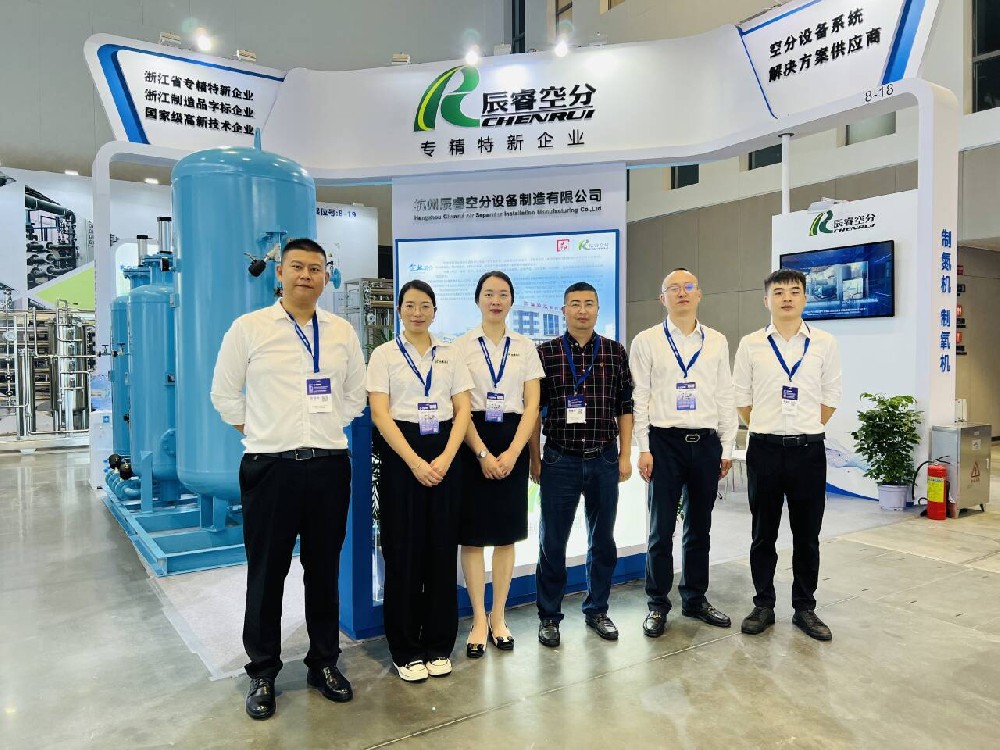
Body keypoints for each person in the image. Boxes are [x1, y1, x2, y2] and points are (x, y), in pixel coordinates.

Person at [210, 238, 366, 720]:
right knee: (267, 572)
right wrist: (258, 430)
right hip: (270, 468)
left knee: (323, 570)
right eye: (297, 266)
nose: (306, 275)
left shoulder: (341, 332)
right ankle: (262, 670)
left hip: (328, 466)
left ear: (325, 276)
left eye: (315, 269)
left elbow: (355, 395)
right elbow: (223, 393)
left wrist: (328, 425)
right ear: (279, 273)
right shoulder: (249, 328)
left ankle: (324, 662)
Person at [367, 279, 473, 682]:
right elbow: (380, 413)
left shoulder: (451, 354)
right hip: (401, 456)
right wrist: (414, 462)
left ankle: (439, 644)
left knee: (442, 552)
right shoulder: (384, 355)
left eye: (425, 305)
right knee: (403, 553)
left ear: (434, 311)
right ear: (399, 310)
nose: (417, 312)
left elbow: (463, 410)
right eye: (410, 305)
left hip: (445, 452)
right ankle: (406, 649)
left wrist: (445, 458)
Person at [732, 268, 842, 641]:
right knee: (763, 533)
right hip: (764, 450)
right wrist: (769, 427)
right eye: (778, 292)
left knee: (807, 535)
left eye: (794, 291)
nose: (787, 298)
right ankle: (763, 604)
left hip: (808, 451)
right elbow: (742, 398)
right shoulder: (751, 344)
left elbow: (831, 396)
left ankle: (805, 608)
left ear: (805, 298)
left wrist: (804, 427)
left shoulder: (824, 342)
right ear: (767, 300)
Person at [629, 268, 738, 638]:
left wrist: (726, 445)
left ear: (699, 294)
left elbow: (725, 394)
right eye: (673, 288)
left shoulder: (717, 341)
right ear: (663, 298)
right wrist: (644, 448)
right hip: (664, 444)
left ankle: (694, 598)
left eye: (688, 286)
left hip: (706, 443)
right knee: (661, 530)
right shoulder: (647, 341)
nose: (682, 293)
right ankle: (657, 604)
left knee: (699, 527)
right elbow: (640, 397)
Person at [529, 281, 634, 648]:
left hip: (604, 457)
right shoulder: (545, 353)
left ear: (597, 309)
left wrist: (624, 455)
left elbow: (625, 406)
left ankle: (597, 610)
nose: (582, 310)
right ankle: (549, 616)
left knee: (603, 541)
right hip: (560, 459)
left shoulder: (615, 352)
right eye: (575, 304)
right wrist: (535, 458)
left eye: (589, 303)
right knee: (552, 543)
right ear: (564, 310)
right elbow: (533, 412)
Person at [455, 271, 544, 658]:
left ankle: (499, 616)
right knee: (473, 536)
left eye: (503, 294)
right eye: (489, 294)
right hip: (472, 440)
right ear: (477, 299)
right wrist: (482, 454)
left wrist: (512, 453)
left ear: (511, 301)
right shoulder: (460, 346)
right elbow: (460, 406)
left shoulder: (525, 347)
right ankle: (478, 618)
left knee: (506, 535)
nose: (495, 300)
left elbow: (532, 405)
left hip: (513, 440)